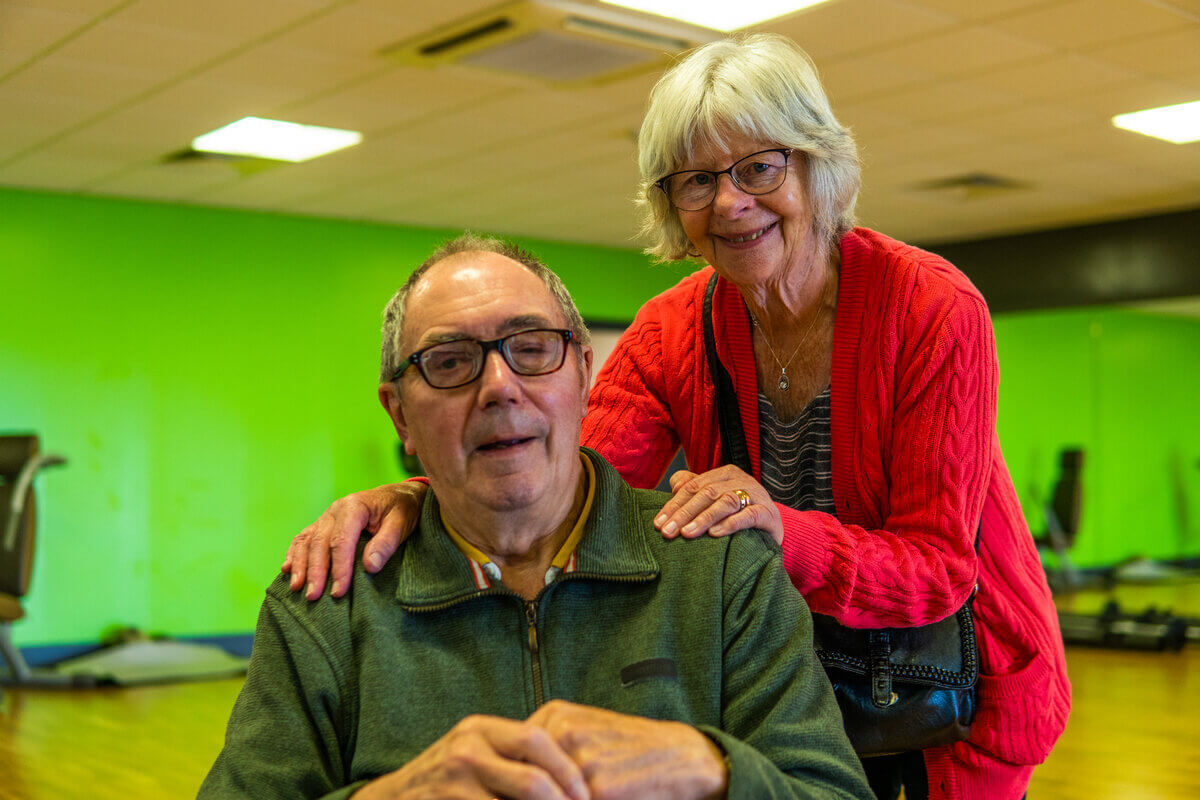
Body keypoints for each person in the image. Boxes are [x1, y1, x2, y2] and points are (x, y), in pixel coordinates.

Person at [283, 35, 1070, 800]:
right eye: (695, 181)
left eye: (760, 166)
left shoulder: (932, 307)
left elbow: (936, 571)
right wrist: (423, 494)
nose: (730, 202)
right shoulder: (672, 328)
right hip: (796, 686)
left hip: (959, 691)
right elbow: (569, 480)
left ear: (816, 164)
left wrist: (776, 529)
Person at [201, 234, 873, 800]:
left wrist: (714, 769)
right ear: (399, 414)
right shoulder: (329, 603)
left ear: (583, 374)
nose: (499, 387)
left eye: (531, 348)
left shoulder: (721, 569)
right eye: (450, 362)